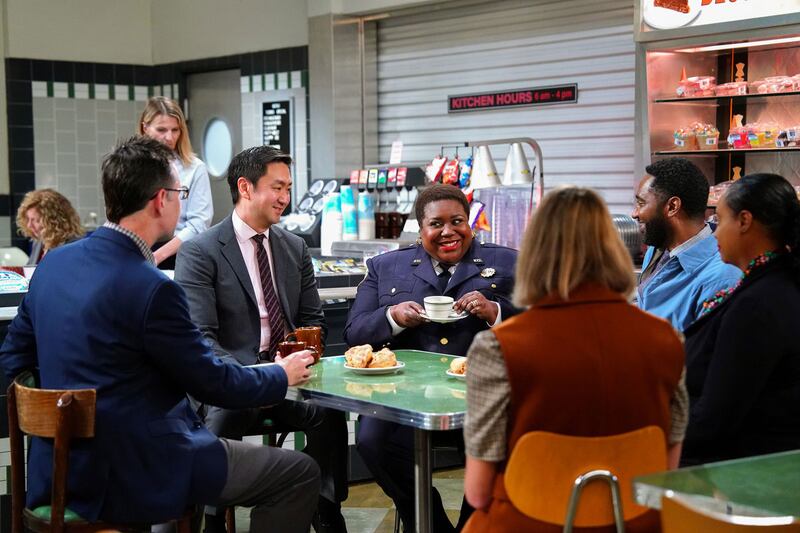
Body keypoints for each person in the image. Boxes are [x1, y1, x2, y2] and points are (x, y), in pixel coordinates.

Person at [0, 136, 320, 532]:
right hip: (137, 471)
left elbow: (12, 364)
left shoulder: (53, 266)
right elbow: (213, 382)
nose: (182, 203)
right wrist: (280, 374)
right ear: (159, 200)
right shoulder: (153, 288)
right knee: (297, 472)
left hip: (56, 475)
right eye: (180, 193)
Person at [462, 186, 688, 533]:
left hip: (527, 523)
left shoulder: (498, 348)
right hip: (636, 522)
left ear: (535, 253)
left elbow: (476, 493)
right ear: (614, 250)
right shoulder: (667, 340)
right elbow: (666, 470)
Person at [174, 145, 349, 533]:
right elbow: (202, 339)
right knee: (221, 413)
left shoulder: (293, 247)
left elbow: (312, 320)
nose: (286, 198)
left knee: (331, 410)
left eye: (289, 187)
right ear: (245, 187)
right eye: (277, 187)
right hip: (232, 382)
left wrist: (296, 359)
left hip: (289, 381)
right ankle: (212, 519)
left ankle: (324, 506)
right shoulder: (201, 252)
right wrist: (257, 376)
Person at [344, 183, 518, 532]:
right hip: (402, 394)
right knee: (370, 442)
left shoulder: (508, 261)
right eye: (436, 224)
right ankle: (429, 520)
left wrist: (496, 311)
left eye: (458, 221)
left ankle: (474, 525)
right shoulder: (385, 266)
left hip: (483, 393)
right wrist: (392, 316)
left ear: (470, 223)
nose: (448, 232)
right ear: (420, 229)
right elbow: (355, 332)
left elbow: (540, 323)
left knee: (507, 448)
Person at [682, 173, 800, 466]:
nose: (715, 232)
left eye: (720, 221)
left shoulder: (759, 304)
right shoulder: (769, 284)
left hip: (742, 470)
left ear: (745, 221)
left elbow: (716, 417)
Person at [632, 157, 741, 331]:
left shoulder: (721, 279)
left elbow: (705, 352)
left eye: (641, 203)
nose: (634, 213)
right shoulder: (658, 247)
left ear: (672, 206)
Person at [139, 96, 213, 268]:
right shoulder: (131, 165)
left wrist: (157, 256)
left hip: (178, 252)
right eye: (162, 130)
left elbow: (199, 224)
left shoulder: (195, 168)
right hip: (137, 249)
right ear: (145, 128)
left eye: (175, 130)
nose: (169, 137)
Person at [16, 188, 84, 265]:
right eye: (28, 219)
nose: (29, 225)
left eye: (36, 220)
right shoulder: (39, 243)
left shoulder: (73, 246)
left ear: (54, 221)